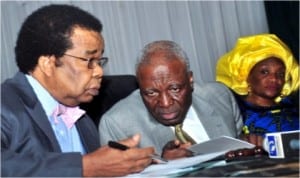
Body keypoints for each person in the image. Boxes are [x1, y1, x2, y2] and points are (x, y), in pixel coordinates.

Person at [1, 4, 155, 177]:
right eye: (89, 61)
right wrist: (86, 167)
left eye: (99, 62)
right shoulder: (5, 105)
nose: (99, 72)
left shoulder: (81, 119)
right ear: (48, 64)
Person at [99, 40, 244, 160]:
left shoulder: (219, 96)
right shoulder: (117, 124)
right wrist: (165, 168)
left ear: (190, 80)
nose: (165, 103)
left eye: (174, 89)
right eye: (151, 93)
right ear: (140, 87)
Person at [216, 34, 299, 137]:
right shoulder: (237, 113)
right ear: (247, 76)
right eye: (264, 72)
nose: (274, 79)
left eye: (280, 74)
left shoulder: (293, 107)